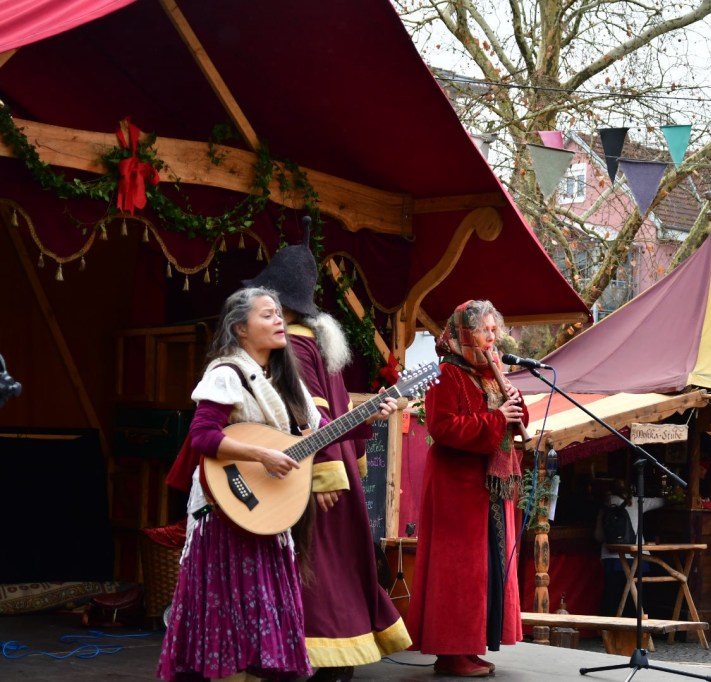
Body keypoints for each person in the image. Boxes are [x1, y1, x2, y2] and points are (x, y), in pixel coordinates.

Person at [242, 237, 410, 681]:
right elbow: (331, 415)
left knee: (316, 573)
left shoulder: (294, 347)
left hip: (310, 475)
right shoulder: (318, 342)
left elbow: (309, 416)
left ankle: (306, 657)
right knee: (336, 571)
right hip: (330, 469)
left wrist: (322, 477)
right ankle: (336, 659)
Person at [157, 287, 325, 682]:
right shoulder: (226, 374)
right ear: (240, 329)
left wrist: (373, 415)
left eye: (279, 314)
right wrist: (261, 455)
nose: (279, 320)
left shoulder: (283, 382)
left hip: (265, 514)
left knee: (259, 619)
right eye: (267, 315)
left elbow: (317, 434)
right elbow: (202, 437)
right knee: (228, 614)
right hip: (226, 514)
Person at [405, 300, 527, 677]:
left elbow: (512, 423)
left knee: (485, 570)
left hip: (487, 487)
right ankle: (451, 653)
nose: (491, 337)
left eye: (493, 330)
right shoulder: (446, 373)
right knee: (458, 570)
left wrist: (515, 408)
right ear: (463, 333)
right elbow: (442, 428)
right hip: (456, 489)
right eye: (483, 330)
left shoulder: (491, 375)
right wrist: (496, 419)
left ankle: (471, 647)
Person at [594, 479, 665, 616]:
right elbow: (663, 502)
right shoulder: (638, 502)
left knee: (613, 599)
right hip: (637, 557)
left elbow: (598, 536)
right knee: (636, 600)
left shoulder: (605, 504)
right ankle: (636, 626)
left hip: (612, 558)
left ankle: (609, 626)